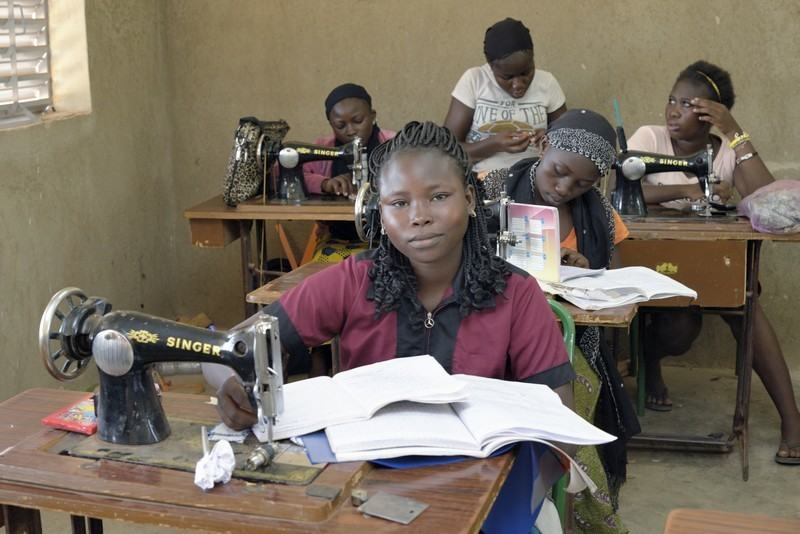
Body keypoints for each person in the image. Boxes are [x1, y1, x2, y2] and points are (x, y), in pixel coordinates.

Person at [627, 60, 800, 465]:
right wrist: (693, 186)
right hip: (653, 264)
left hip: (711, 260)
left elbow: (771, 201)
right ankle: (651, 363)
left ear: (709, 116)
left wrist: (736, 133)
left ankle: (792, 419)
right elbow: (624, 189)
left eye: (686, 104)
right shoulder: (648, 138)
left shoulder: (725, 155)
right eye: (672, 100)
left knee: (748, 310)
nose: (672, 110)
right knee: (678, 330)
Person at [486, 109, 640, 532]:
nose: (565, 188)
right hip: (497, 337)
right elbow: (467, 260)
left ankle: (567, 509)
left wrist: (585, 269)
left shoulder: (601, 215)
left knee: (572, 396)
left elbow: (613, 282)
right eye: (558, 173)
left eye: (583, 184)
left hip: (573, 343)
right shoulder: (494, 191)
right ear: (542, 147)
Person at [443, 17, 567, 175]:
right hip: (481, 180)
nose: (518, 84)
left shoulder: (547, 83)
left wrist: (549, 138)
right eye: (507, 77)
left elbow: (568, 141)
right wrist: (493, 144)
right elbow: (446, 149)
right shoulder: (475, 80)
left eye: (526, 73)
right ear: (491, 67)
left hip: (535, 180)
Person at [302, 83, 395, 261]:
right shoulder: (323, 147)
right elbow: (296, 175)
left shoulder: (395, 143)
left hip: (389, 237)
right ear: (331, 124)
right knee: (326, 271)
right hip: (337, 237)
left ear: (372, 116)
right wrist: (324, 183)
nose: (351, 130)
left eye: (358, 121)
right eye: (340, 125)